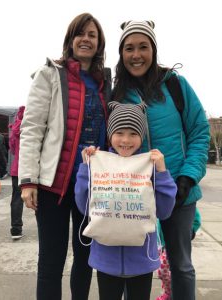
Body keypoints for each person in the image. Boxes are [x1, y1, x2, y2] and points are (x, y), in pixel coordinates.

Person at [112, 20, 210, 300]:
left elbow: (200, 133)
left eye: (143, 47)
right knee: (134, 268)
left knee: (181, 266)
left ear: (153, 50)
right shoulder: (118, 93)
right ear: (122, 53)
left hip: (179, 191)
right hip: (135, 196)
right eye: (129, 48)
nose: (136, 54)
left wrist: (187, 178)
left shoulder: (176, 86)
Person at [18, 13, 108, 300]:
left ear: (99, 43)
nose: (86, 39)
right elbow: (31, 128)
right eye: (80, 33)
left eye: (92, 35)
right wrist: (28, 180)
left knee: (85, 260)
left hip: (91, 186)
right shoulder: (49, 75)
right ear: (70, 40)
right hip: (52, 185)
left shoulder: (104, 83)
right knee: (51, 262)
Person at [75, 102, 177, 300]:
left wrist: (162, 173)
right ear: (110, 135)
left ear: (142, 136)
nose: (125, 140)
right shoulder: (99, 164)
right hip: (106, 261)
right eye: (119, 132)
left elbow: (164, 211)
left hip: (142, 261)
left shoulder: (149, 166)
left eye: (133, 133)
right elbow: (84, 207)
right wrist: (86, 169)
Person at [156, 207, 202, 300]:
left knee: (164, 270)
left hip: (175, 241)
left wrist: (188, 233)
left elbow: (197, 220)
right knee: (165, 271)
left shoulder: (186, 203)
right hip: (162, 244)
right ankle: (168, 291)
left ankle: (169, 292)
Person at [8, 106, 25, 240]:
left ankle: (16, 229)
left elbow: (12, 149)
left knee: (17, 199)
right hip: (34, 167)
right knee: (41, 198)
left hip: (17, 168)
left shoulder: (14, 129)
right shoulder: (34, 124)